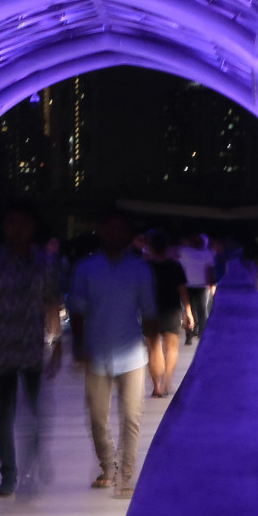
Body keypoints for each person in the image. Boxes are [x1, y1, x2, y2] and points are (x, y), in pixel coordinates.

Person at [67, 210, 158, 497]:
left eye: (122, 229)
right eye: (111, 228)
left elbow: (149, 312)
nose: (116, 234)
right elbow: (77, 311)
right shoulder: (86, 269)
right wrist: (79, 346)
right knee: (97, 417)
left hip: (132, 354)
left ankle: (126, 474)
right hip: (97, 354)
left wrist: (153, 347)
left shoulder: (140, 270)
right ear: (101, 231)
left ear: (129, 235)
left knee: (132, 417)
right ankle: (108, 466)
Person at [0, 202, 63, 497]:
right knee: (3, 416)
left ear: (32, 228)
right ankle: (9, 473)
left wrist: (57, 341)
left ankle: (29, 465)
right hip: (1, 350)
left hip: (32, 348)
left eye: (23, 223)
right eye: (11, 222)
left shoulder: (44, 262)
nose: (16, 229)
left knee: (35, 413)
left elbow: (52, 303)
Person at [143, 230, 189, 398]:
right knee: (171, 348)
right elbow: (183, 291)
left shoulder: (144, 266)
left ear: (150, 247)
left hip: (150, 311)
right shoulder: (175, 266)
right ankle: (167, 381)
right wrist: (188, 312)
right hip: (172, 309)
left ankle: (157, 387)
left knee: (153, 349)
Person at [175, 232, 215, 342]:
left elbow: (210, 271)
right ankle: (195, 332)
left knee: (194, 310)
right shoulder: (204, 253)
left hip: (197, 285)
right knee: (198, 310)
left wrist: (211, 285)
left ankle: (194, 332)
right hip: (195, 285)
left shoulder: (186, 252)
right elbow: (210, 271)